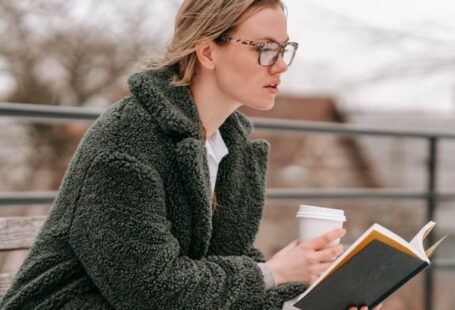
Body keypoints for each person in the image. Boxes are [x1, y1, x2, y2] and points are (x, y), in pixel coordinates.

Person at [0, 1, 381, 309]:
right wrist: (273, 273)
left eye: (284, 50)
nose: (280, 65)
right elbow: (151, 291)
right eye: (265, 49)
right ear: (207, 52)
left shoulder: (231, 149)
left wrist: (308, 300)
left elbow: (228, 285)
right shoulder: (125, 142)